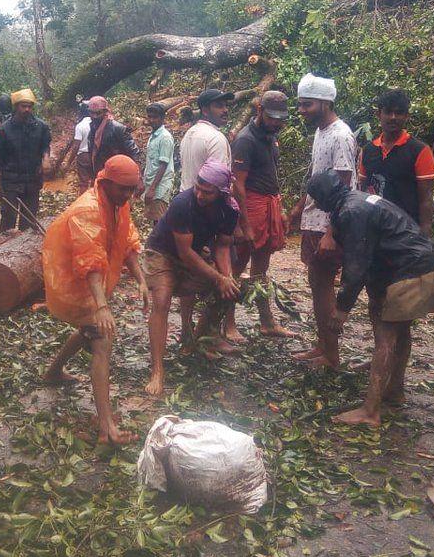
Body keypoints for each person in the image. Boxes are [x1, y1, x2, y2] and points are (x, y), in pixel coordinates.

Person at [305, 170, 434, 427]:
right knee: (401, 330)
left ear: (323, 199)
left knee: (385, 336)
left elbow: (356, 266)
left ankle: (371, 411)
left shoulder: (351, 212)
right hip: (426, 263)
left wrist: (341, 310)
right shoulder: (357, 199)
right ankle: (394, 390)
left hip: (409, 270)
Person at [41, 155, 148, 445]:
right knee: (101, 338)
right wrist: (101, 306)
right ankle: (106, 428)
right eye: (123, 189)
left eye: (132, 190)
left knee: (90, 330)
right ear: (106, 182)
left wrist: (140, 280)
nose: (128, 196)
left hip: (95, 281)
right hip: (73, 281)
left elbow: (128, 242)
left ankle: (52, 372)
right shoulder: (87, 210)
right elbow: (90, 264)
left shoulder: (118, 203)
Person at [142, 160, 241, 395]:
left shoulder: (230, 210)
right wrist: (219, 277)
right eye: (198, 187)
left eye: (207, 192)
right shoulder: (182, 203)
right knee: (162, 299)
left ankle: (194, 341)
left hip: (194, 253)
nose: (200, 194)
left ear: (221, 193)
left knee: (226, 291)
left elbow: (223, 246)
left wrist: (226, 278)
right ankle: (158, 370)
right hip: (163, 252)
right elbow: (184, 253)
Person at [285, 75, 357, 369]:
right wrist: (299, 207)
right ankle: (322, 344)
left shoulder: (341, 135)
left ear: (326, 103)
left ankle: (331, 354)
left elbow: (344, 185)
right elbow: (317, 177)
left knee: (324, 284)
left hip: (328, 224)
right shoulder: (320, 131)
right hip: (313, 219)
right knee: (317, 283)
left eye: (307, 104)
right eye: (300, 104)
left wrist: (332, 231)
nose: (301, 110)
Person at [227, 90, 294, 341]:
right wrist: (244, 223)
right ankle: (228, 323)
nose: (276, 122)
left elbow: (272, 175)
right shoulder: (246, 140)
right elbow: (238, 186)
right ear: (259, 111)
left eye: (280, 118)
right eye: (272, 117)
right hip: (250, 206)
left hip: (268, 203)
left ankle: (267, 322)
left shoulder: (271, 137)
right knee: (236, 267)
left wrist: (281, 208)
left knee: (261, 270)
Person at [358, 89, 434, 235]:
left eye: (399, 113)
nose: (393, 117)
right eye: (388, 112)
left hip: (406, 233)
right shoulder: (368, 151)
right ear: (379, 114)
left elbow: (426, 199)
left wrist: (425, 237)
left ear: (406, 116)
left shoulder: (420, 151)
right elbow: (362, 192)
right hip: (374, 231)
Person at [0, 88, 52, 231]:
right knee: (8, 219)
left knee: (29, 222)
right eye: (24, 106)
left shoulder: (41, 127)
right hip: (11, 181)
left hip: (32, 179)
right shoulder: (4, 130)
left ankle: (25, 249)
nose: (27, 109)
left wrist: (46, 159)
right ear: (16, 106)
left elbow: (45, 146)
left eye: (29, 106)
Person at [178, 89, 233, 191]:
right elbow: (218, 180)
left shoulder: (189, 133)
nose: (225, 110)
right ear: (205, 111)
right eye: (219, 106)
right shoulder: (216, 138)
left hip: (186, 197)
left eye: (226, 105)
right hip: (205, 201)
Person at [86, 95, 141, 173]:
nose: (95, 116)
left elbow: (134, 153)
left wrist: (135, 175)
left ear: (105, 112)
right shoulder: (93, 127)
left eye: (98, 113)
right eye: (92, 113)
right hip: (101, 173)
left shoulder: (118, 128)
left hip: (118, 173)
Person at [141, 103, 175, 222]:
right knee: (153, 220)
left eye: (155, 117)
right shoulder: (153, 136)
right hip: (151, 183)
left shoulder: (165, 137)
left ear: (162, 118)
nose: (151, 120)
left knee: (159, 221)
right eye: (149, 117)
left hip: (160, 187)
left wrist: (152, 189)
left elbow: (163, 165)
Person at [73, 106, 95, 191]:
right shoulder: (96, 124)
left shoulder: (80, 126)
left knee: (83, 182)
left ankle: (82, 202)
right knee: (95, 180)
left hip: (83, 156)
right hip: (95, 155)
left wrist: (69, 162)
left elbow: (76, 146)